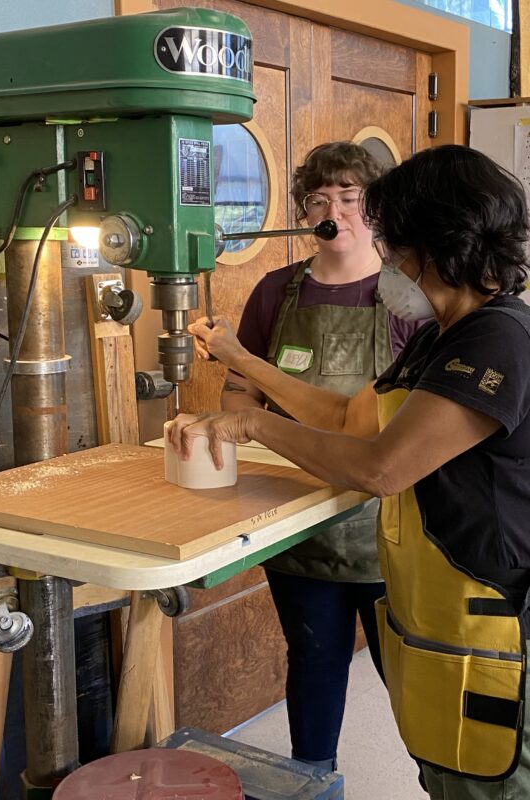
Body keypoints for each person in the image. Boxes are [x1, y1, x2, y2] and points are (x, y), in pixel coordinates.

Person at [168, 144, 530, 799]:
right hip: (439, 612)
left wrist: (254, 424)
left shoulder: (497, 337)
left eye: (392, 239)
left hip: (490, 617)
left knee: (490, 779)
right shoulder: (440, 332)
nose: (385, 256)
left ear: (434, 242)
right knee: (447, 770)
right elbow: (348, 419)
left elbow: (381, 466)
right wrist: (243, 366)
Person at [220, 141, 422, 772]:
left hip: (386, 522)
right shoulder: (276, 291)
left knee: (414, 678)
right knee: (312, 658)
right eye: (319, 197)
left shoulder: (407, 299)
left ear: (379, 209)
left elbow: (373, 424)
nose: (335, 209)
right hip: (295, 517)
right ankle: (311, 781)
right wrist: (229, 421)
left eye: (352, 196)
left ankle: (448, 779)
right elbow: (239, 386)